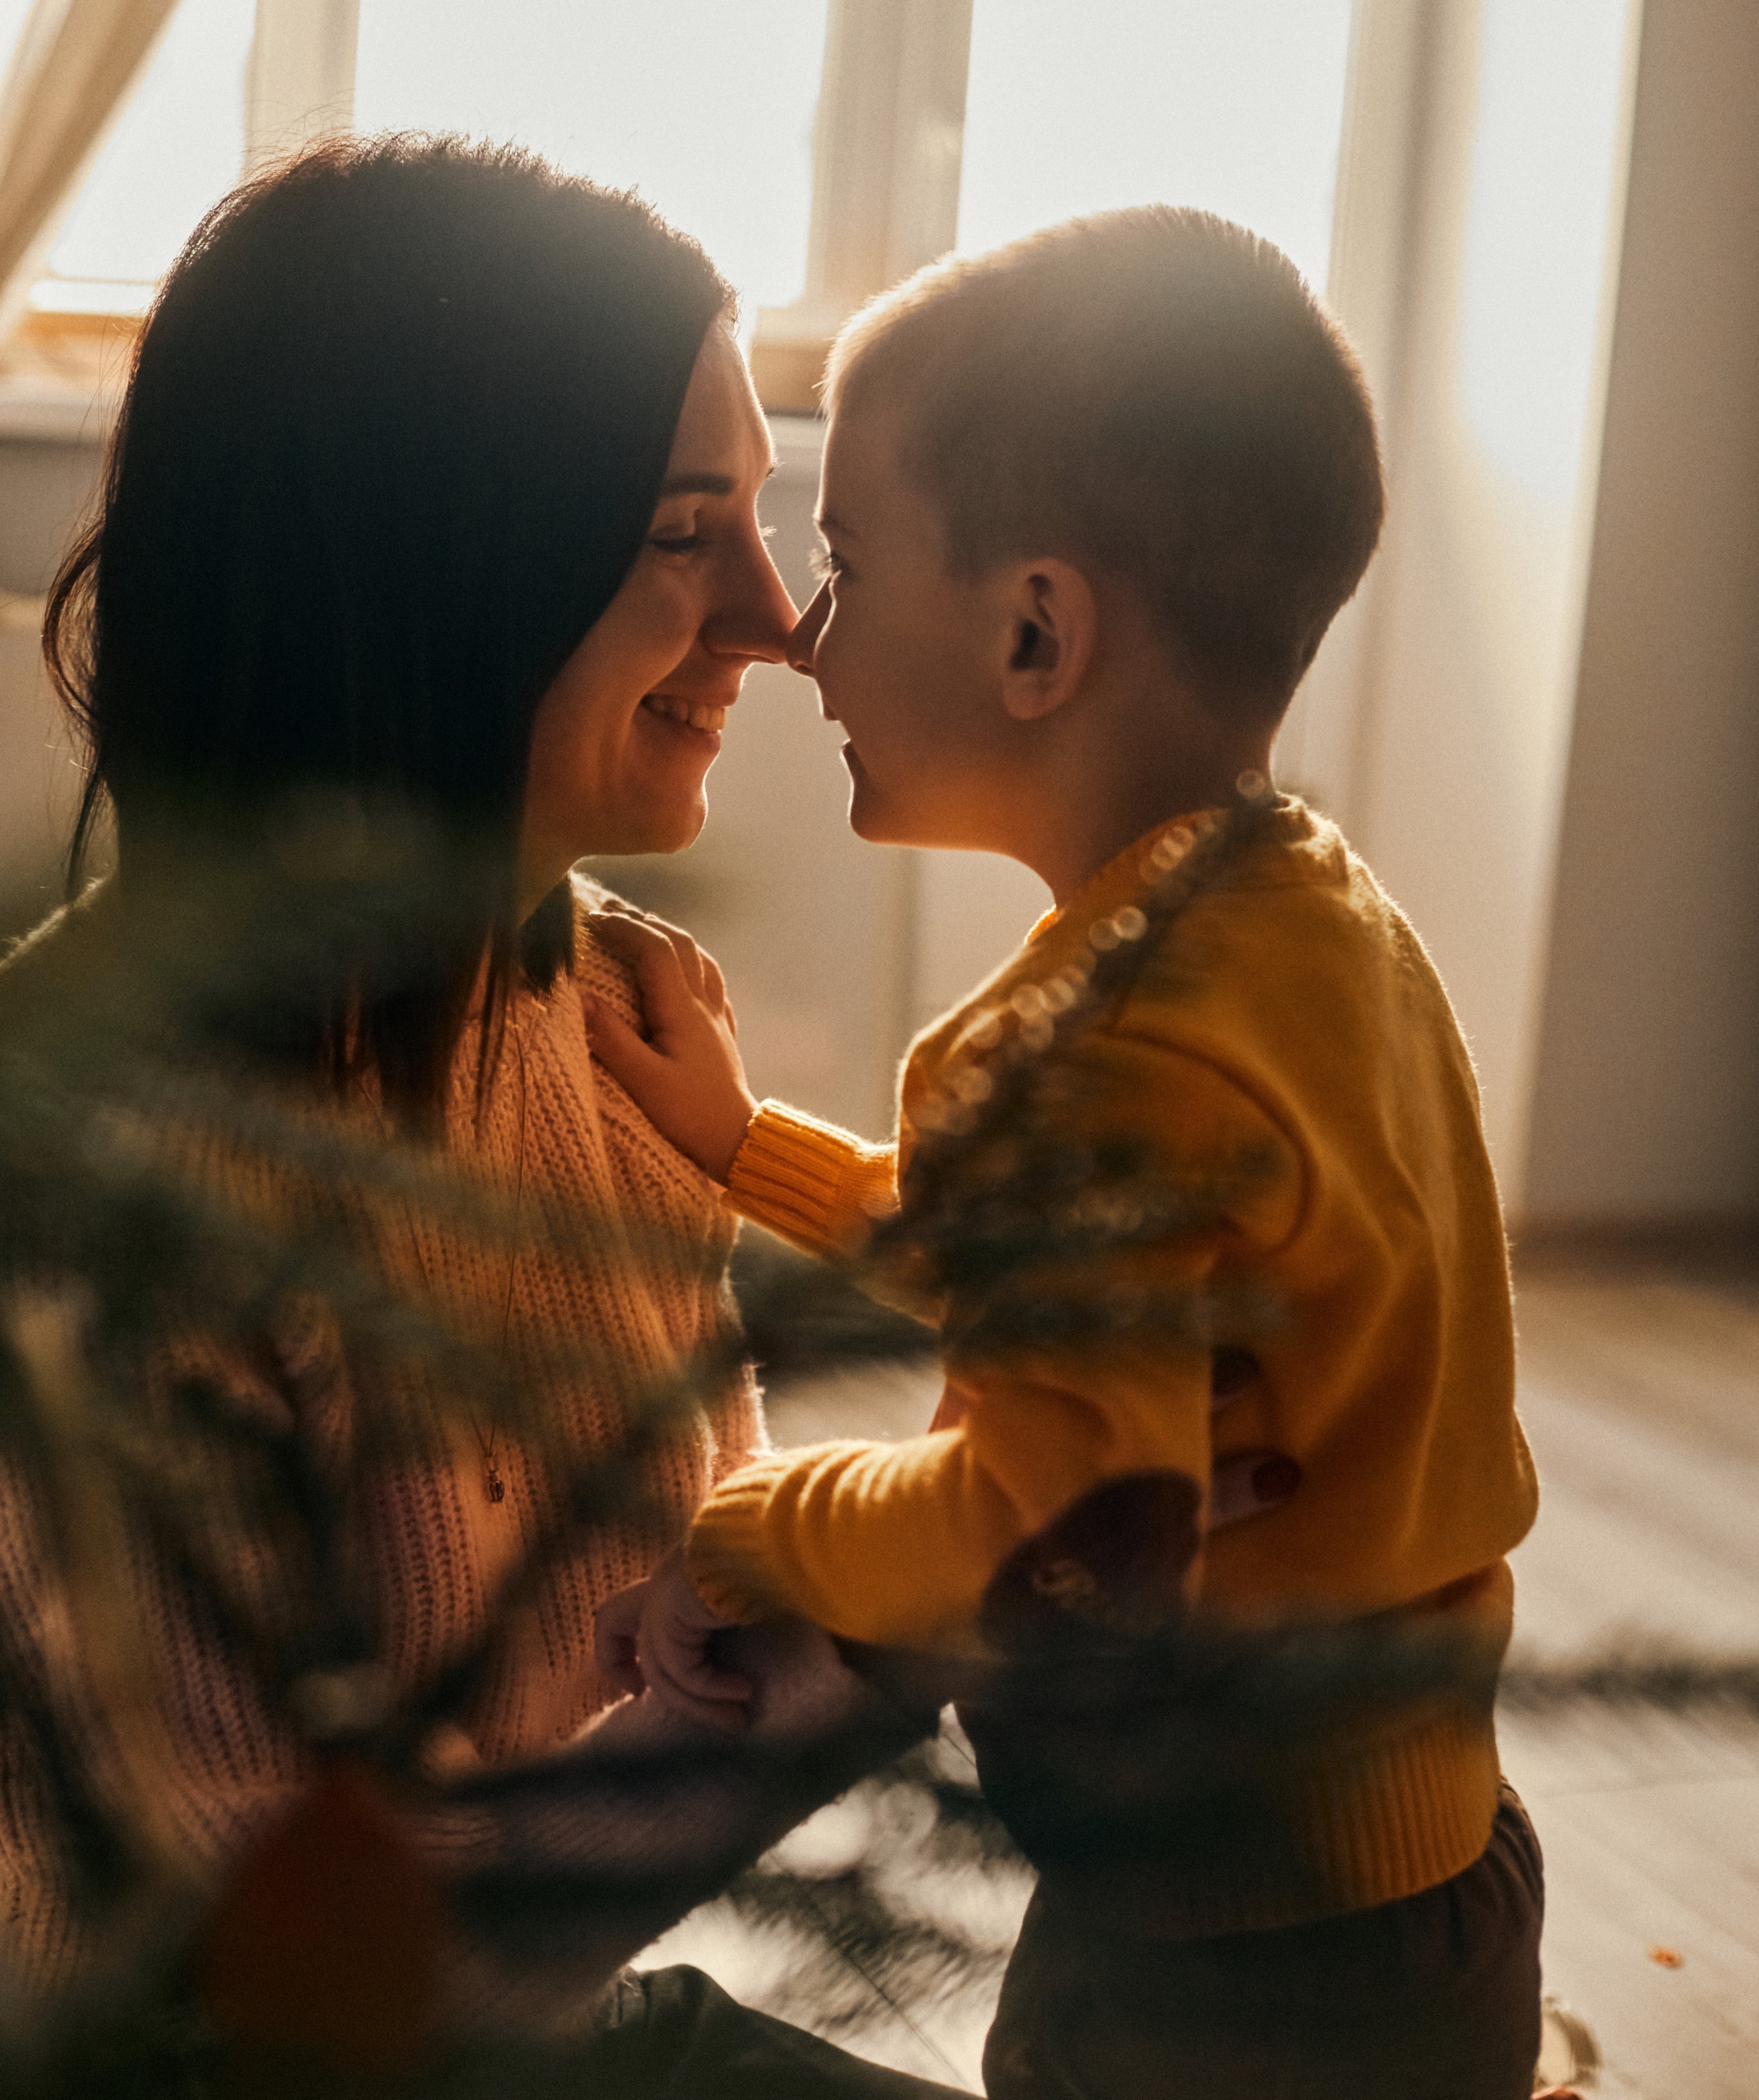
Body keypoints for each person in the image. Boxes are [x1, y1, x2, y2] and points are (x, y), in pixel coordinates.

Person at [0, 135, 962, 2092]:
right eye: (687, 529)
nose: (779, 621)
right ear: (446, 562)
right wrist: (886, 1636)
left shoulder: (609, 1007)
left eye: (763, 523)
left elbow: (675, 1596)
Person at [585, 208, 1547, 2098]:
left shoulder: (1078, 1059)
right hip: (1439, 1888)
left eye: (848, 568)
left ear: (1035, 630)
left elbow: (1026, 1533)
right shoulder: (1311, 920)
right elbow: (1141, 1290)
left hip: (1221, 1963)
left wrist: (733, 1530)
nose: (800, 639)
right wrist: (753, 1151)